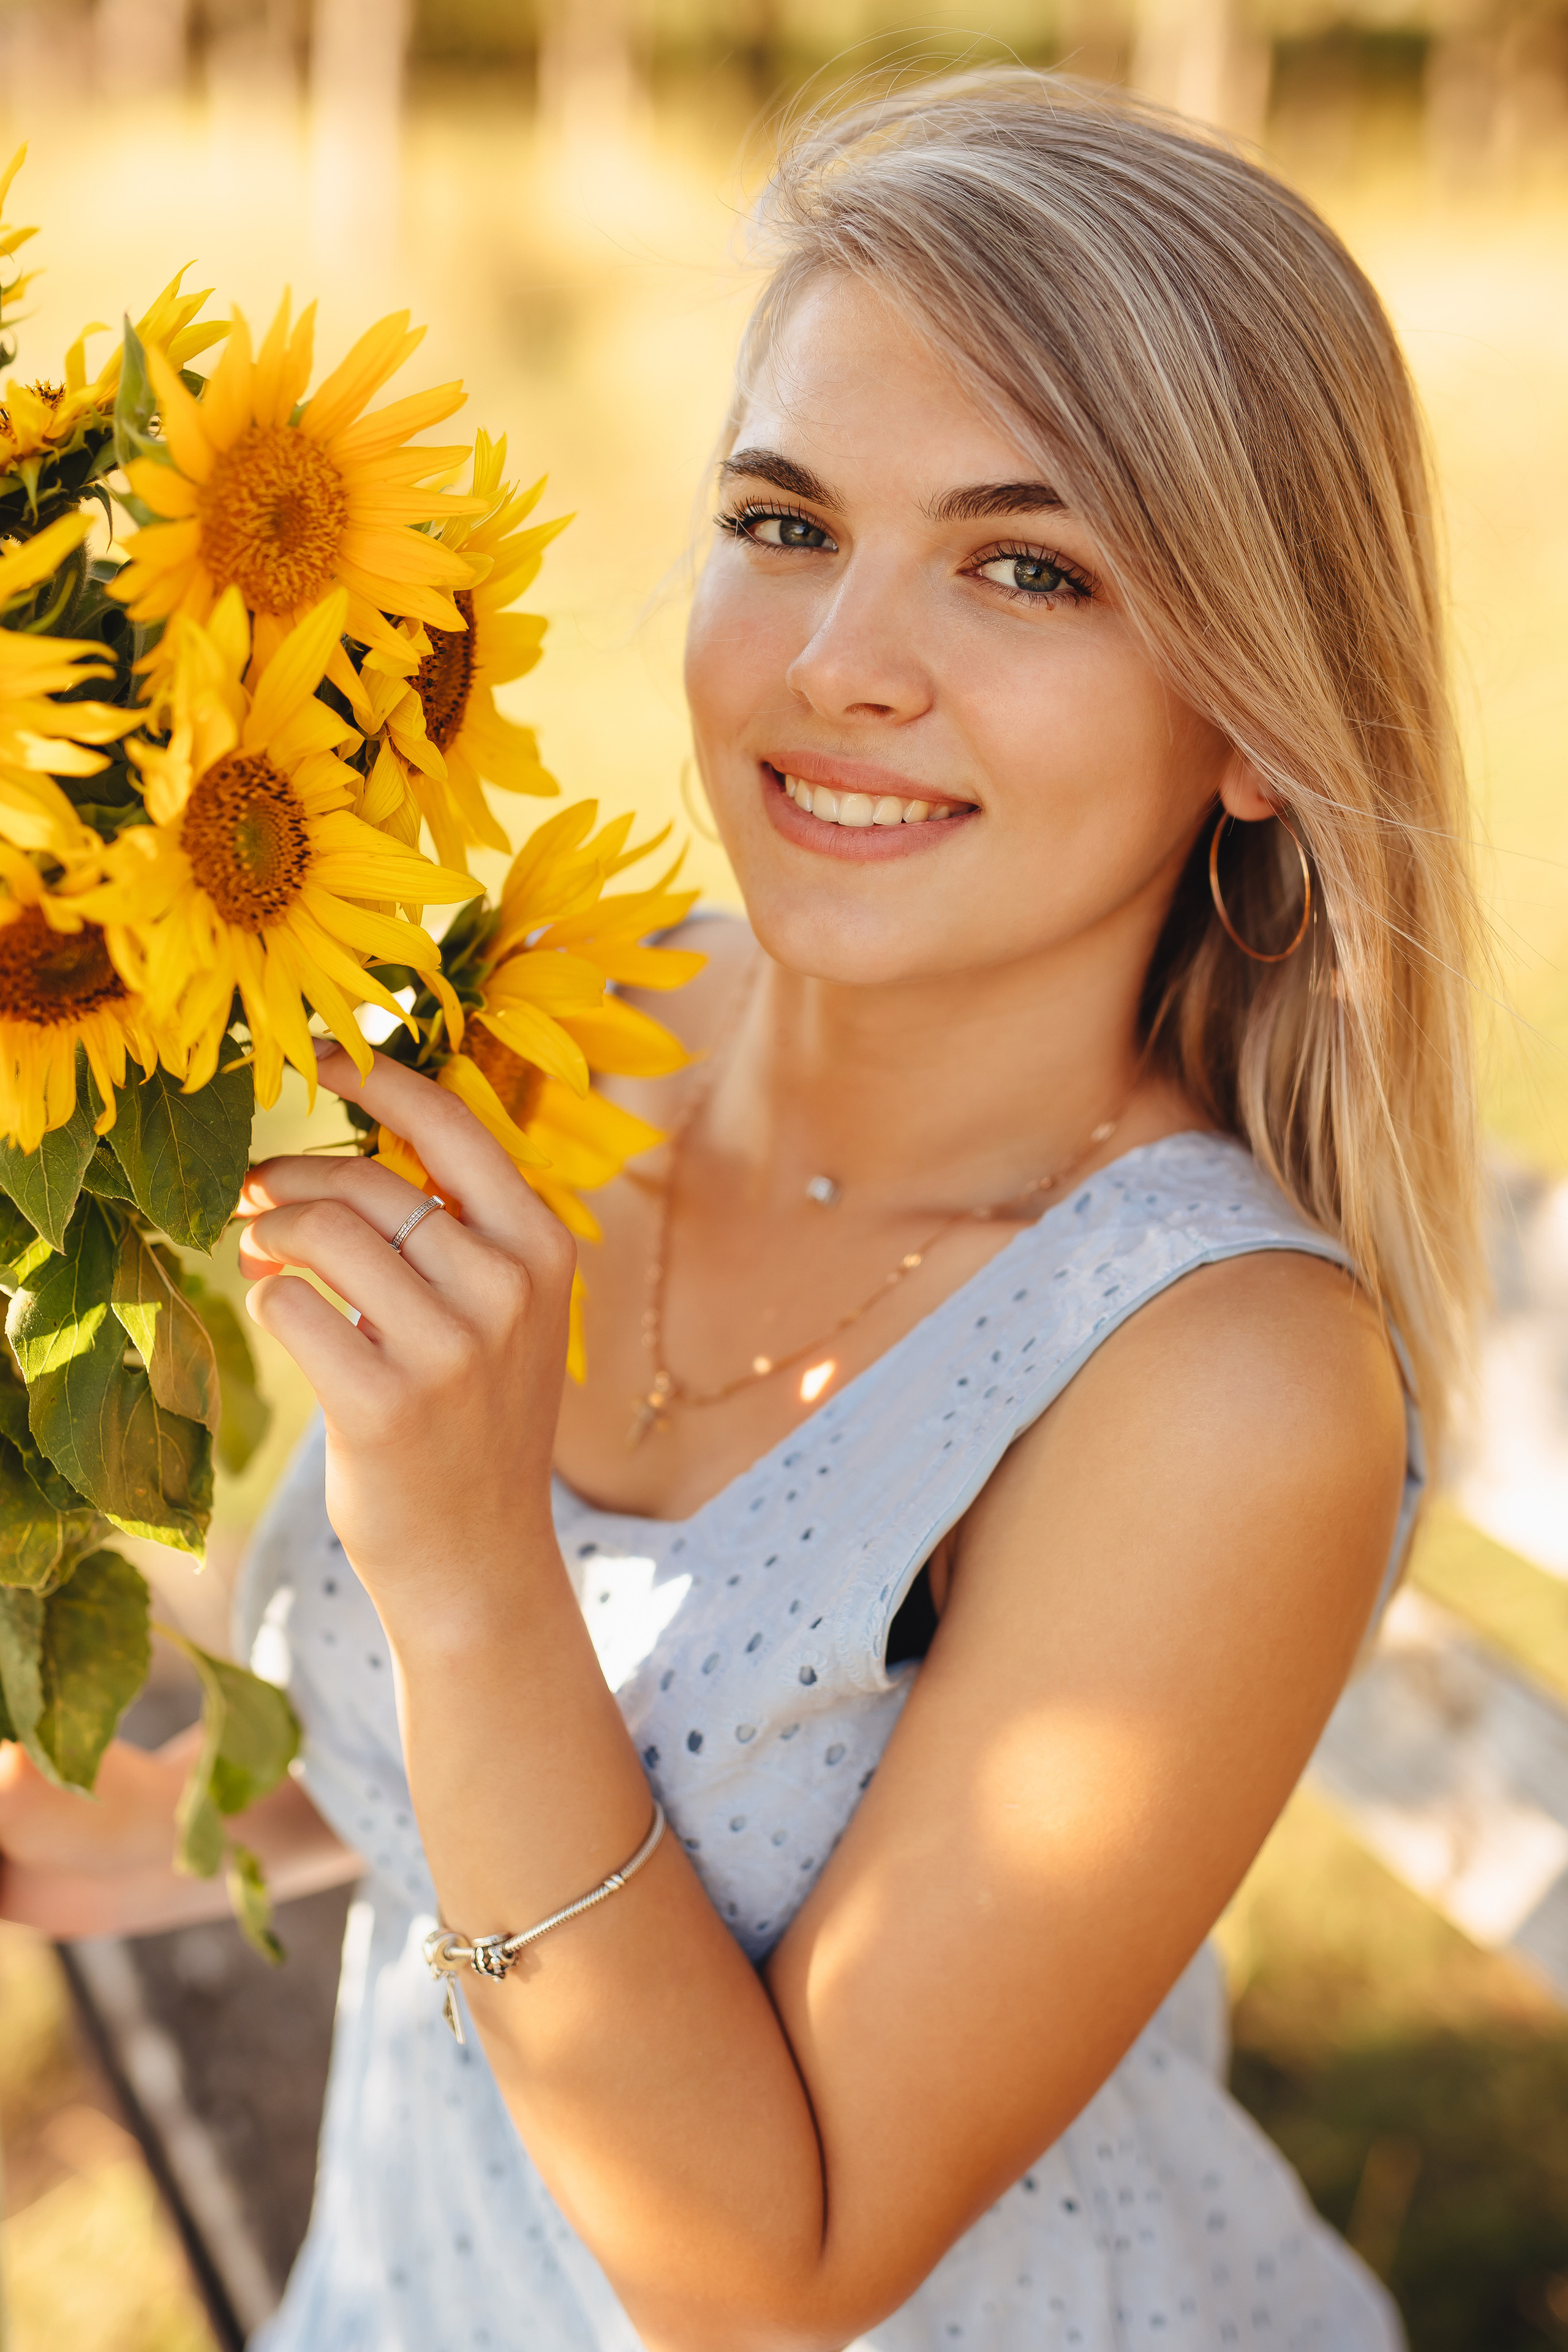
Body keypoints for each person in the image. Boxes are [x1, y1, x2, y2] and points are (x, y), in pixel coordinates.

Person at [0, 70, 1481, 2352]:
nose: (836, 663)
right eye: (785, 522)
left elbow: (769, 2278)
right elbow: (435, 1779)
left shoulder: (1222, 1381)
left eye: (1028, 565)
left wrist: (475, 1565)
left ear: (1258, 715)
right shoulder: (571, 1022)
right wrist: (110, 1791)